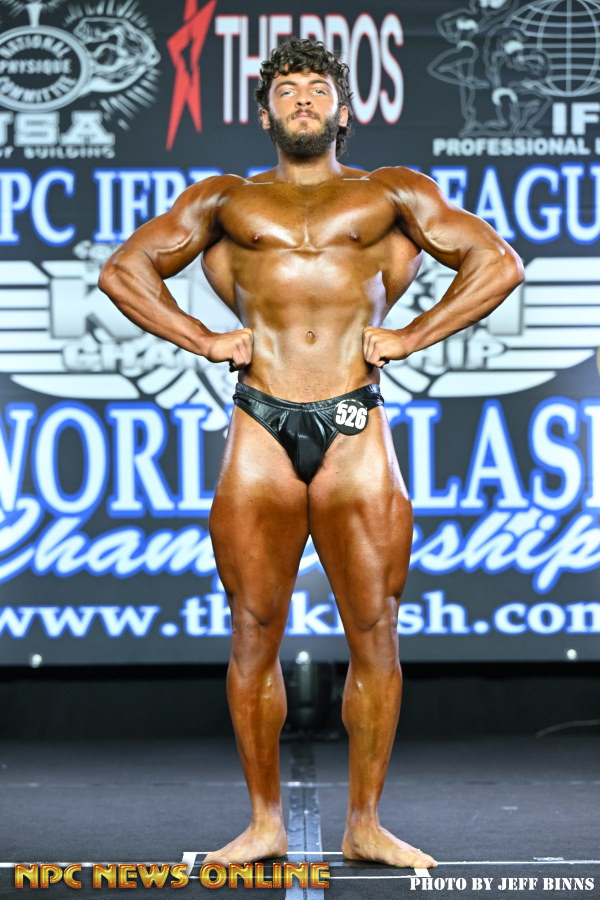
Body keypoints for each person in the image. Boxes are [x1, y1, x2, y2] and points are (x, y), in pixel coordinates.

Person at [99, 38, 523, 869]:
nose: (302, 98)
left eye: (317, 88)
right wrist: (200, 337)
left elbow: (497, 264)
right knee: (253, 629)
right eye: (287, 89)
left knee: (376, 629)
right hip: (259, 423)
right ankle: (263, 822)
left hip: (356, 422)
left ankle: (365, 823)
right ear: (264, 113)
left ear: (343, 110)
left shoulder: (390, 192)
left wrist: (413, 334)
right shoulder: (226, 199)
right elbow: (124, 270)